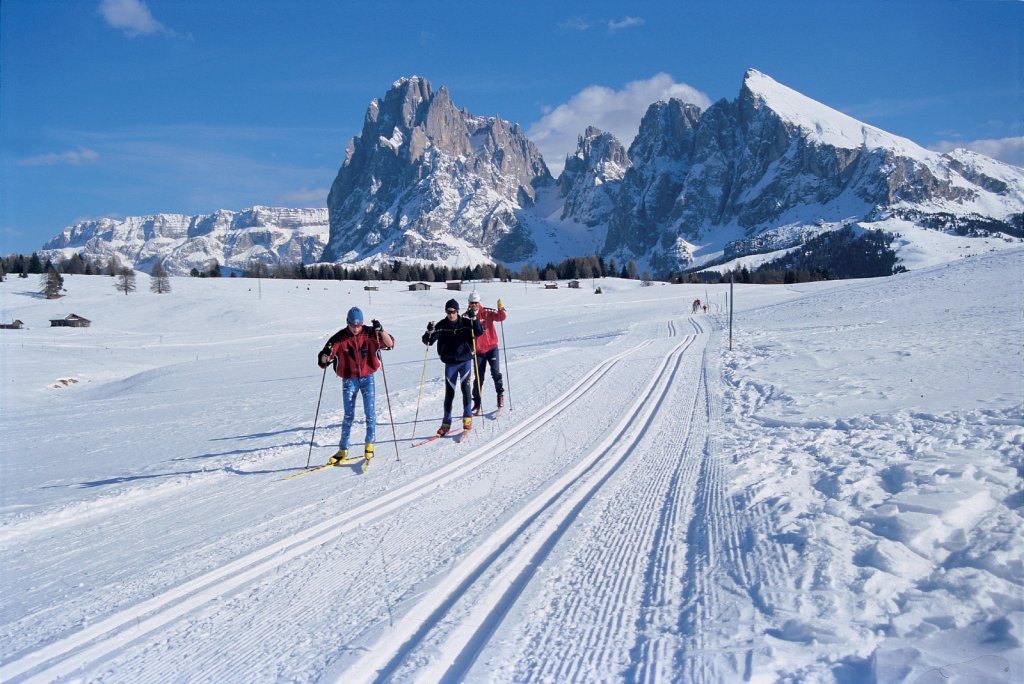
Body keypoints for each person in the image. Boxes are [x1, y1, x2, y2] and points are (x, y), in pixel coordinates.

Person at [317, 307, 395, 465]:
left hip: (368, 377)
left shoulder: (370, 333)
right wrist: (326, 353)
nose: (355, 328)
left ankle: (369, 445)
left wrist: (381, 330)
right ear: (347, 323)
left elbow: (390, 344)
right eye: (352, 325)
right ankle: (343, 450)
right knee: (348, 416)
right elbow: (323, 361)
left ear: (363, 323)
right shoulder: (339, 338)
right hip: (349, 380)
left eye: (358, 325)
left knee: (370, 413)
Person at [422, 298, 484, 436]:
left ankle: (467, 418)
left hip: (465, 361)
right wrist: (429, 331)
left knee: (465, 389)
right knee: (449, 393)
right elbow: (428, 341)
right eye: (448, 312)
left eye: (454, 311)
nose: (451, 314)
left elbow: (479, 332)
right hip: (450, 363)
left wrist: (474, 319)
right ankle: (446, 423)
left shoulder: (465, 323)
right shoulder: (442, 325)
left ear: (457, 311)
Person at [466, 291, 507, 414]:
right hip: (478, 351)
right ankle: (477, 402)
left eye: (476, 303)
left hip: (492, 348)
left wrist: (501, 308)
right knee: (479, 378)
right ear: (469, 303)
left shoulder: (487, 312)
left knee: (495, 372)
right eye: (472, 303)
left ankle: (500, 395)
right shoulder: (466, 317)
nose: (474, 305)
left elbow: (502, 317)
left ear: (479, 302)